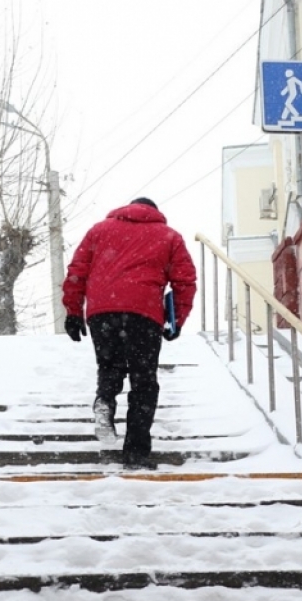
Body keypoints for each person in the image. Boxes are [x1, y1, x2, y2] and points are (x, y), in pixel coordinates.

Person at [61, 197, 197, 470]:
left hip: (103, 311)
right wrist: (177, 320)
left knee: (110, 365)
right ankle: (135, 454)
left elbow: (77, 271)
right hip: (144, 313)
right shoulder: (169, 236)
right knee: (143, 381)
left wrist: (74, 311)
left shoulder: (99, 230)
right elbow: (185, 281)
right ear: (155, 213)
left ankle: (105, 400)